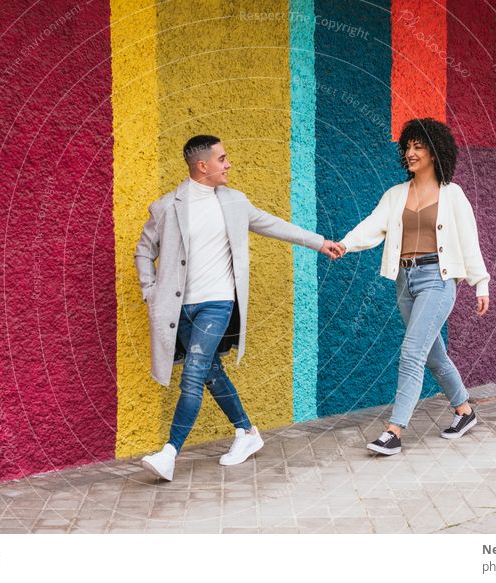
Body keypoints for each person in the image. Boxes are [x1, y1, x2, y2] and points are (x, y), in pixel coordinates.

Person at [135, 134, 342, 480]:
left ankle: (169, 453)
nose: (228, 164)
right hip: (179, 310)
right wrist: (150, 291)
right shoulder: (167, 207)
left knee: (193, 374)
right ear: (203, 166)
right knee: (211, 373)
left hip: (217, 302)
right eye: (222, 159)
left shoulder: (234, 202)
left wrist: (320, 243)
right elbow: (144, 250)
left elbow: (274, 225)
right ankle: (246, 433)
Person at [336, 118, 490, 455]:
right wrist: (345, 244)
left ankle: (394, 431)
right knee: (434, 355)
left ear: (434, 152)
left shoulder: (452, 194)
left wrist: (481, 284)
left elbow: (469, 240)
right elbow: (372, 226)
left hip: (438, 279)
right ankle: (464, 411)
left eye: (418, 146)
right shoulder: (395, 195)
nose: (410, 152)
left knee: (412, 352)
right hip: (405, 280)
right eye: (408, 146)